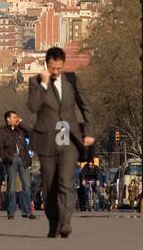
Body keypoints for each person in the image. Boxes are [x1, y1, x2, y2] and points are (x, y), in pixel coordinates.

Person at [26, 47, 94, 238]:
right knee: (49, 185)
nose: (55, 71)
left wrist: (88, 132)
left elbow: (85, 105)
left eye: (58, 68)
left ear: (63, 64)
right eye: (51, 68)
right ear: (46, 64)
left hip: (68, 137)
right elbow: (33, 106)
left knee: (66, 180)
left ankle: (65, 221)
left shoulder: (72, 80)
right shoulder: (35, 82)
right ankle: (53, 222)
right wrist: (45, 85)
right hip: (46, 137)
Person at [0, 111, 36, 221]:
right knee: (11, 186)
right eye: (14, 117)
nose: (17, 118)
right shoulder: (1, 131)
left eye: (17, 117)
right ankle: (11, 212)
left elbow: (31, 133)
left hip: (23, 159)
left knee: (26, 186)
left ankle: (27, 211)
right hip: (11, 160)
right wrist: (6, 157)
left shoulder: (20, 130)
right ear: (8, 119)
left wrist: (21, 123)